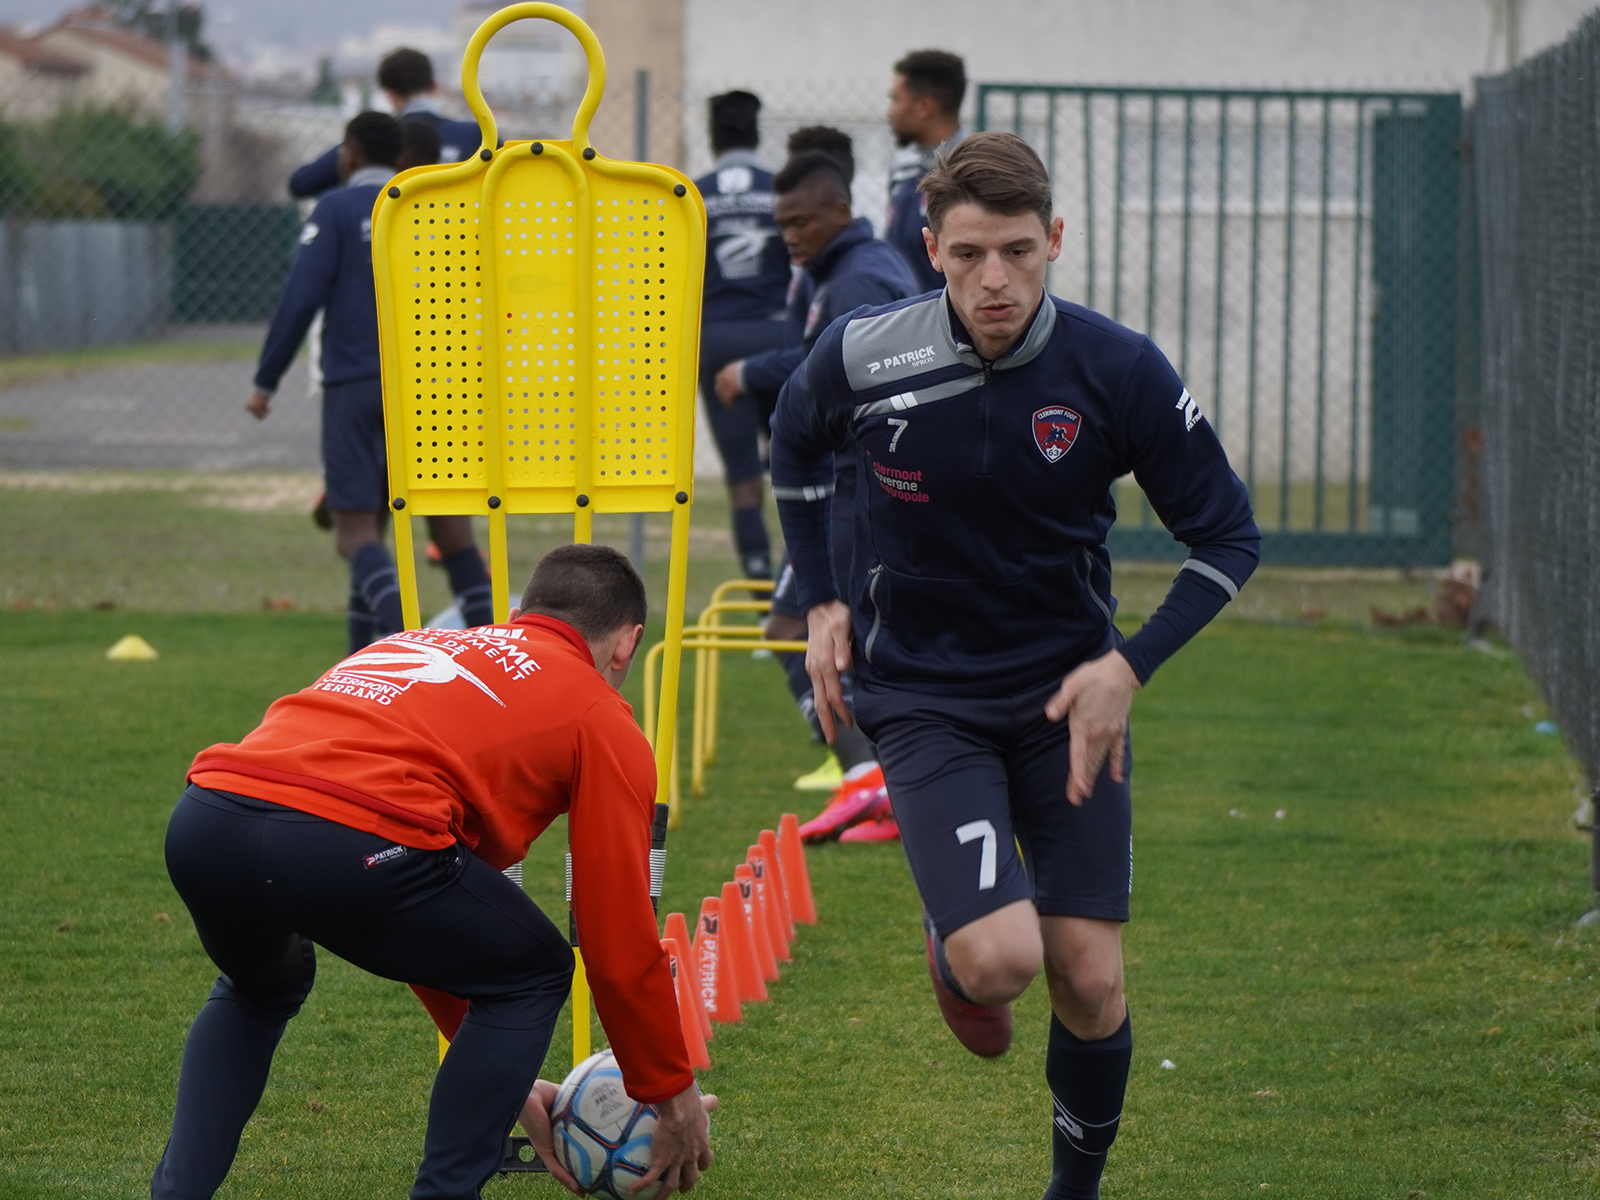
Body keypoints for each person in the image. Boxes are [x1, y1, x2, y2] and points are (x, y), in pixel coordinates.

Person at [770, 133, 1260, 1199]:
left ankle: (1070, 1193)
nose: (994, 280)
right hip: (923, 694)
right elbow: (794, 443)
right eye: (968, 256)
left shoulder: (1115, 368)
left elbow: (1227, 536)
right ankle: (956, 938)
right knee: (1000, 965)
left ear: (1055, 241)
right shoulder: (863, 353)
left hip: (1068, 699)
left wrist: (1127, 667)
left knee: (1088, 977)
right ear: (932, 251)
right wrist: (820, 597)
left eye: (1018, 252)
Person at [152, 543, 716, 1200]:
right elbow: (616, 935)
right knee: (535, 968)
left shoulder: (421, 641)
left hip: (207, 816)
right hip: (350, 837)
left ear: (518, 614)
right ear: (627, 644)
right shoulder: (599, 714)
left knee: (259, 988)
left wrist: (505, 1080)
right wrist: (672, 1095)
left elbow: (437, 926)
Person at [714, 153, 917, 838]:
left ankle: (872, 779)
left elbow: (829, 372)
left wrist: (751, 372)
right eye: (782, 225)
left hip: (850, 484)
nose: (790, 237)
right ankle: (879, 782)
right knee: (832, 635)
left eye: (801, 222)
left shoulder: (858, 279)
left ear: (840, 211)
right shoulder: (849, 269)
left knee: (796, 628)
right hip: (854, 481)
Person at [246, 112, 495, 654]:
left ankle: (403, 641)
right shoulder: (436, 209)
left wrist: (266, 381)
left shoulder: (338, 208)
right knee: (452, 534)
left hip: (357, 382)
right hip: (436, 387)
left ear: (350, 156)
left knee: (357, 534)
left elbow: (301, 297)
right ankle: (489, 661)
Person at [694, 91, 792, 580]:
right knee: (800, 471)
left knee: (742, 483)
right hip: (778, 337)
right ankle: (799, 591)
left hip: (718, 338)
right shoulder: (781, 190)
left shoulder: (692, 195)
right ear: (757, 134)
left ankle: (758, 602)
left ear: (713, 137)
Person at [289, 48, 485, 200]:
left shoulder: (377, 137)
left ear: (389, 95)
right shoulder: (476, 135)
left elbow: (302, 183)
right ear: (435, 86)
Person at [884, 50, 967, 294]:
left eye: (896, 100)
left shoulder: (970, 172)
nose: (890, 112)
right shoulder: (903, 168)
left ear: (924, 108)